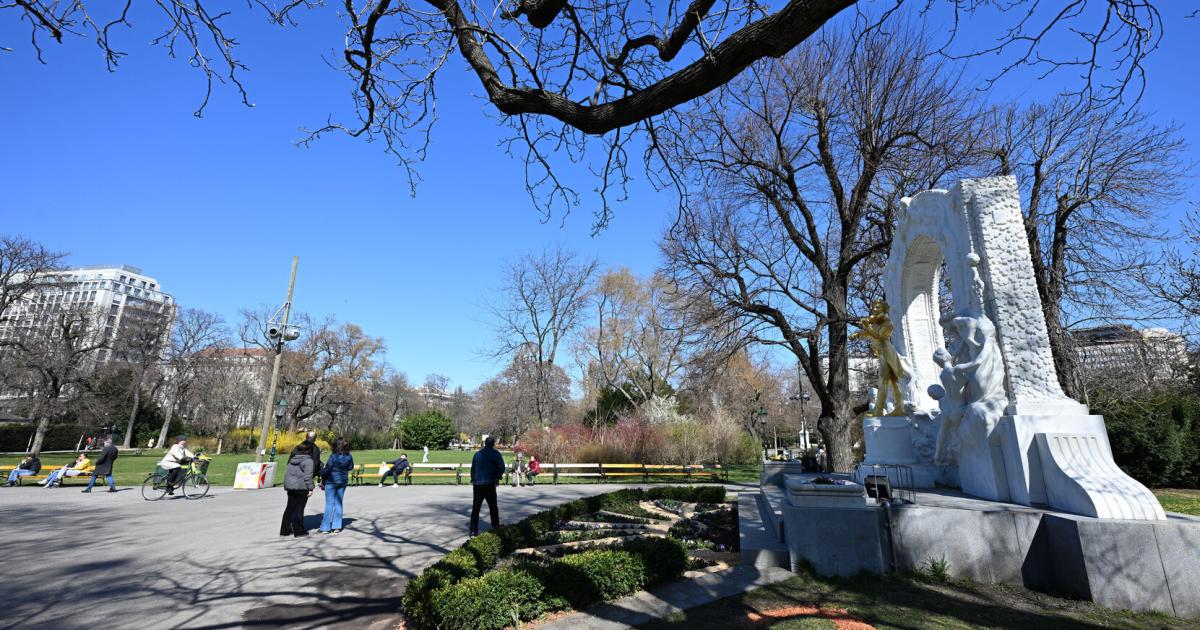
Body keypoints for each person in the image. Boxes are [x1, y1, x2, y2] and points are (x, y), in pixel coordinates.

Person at [469, 436, 506, 536]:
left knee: (476, 507)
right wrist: (497, 476)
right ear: (493, 444)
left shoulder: (477, 454)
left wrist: (473, 479)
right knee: (493, 507)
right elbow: (502, 467)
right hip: (489, 483)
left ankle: (473, 529)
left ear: (485, 443)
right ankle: (495, 526)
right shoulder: (496, 454)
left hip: (478, 484)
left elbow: (473, 469)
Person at [319, 438, 354, 533]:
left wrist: (321, 472)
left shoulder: (333, 456)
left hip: (331, 481)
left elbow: (328, 469)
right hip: (342, 481)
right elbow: (351, 467)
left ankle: (325, 527)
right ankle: (336, 526)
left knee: (329, 504)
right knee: (338, 503)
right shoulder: (349, 456)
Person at [281, 442, 316, 537]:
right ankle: (299, 531)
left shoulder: (293, 459)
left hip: (290, 486)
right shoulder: (308, 461)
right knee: (299, 509)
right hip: (301, 487)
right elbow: (308, 476)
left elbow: (288, 473)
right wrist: (310, 488)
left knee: (289, 508)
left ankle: (284, 530)